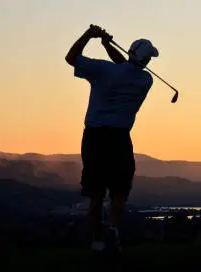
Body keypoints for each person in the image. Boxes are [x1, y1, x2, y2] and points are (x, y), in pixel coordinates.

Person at [65, 24, 158, 254]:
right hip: (120, 140)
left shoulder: (103, 71)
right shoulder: (146, 81)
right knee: (119, 192)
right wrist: (107, 45)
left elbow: (71, 58)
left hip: (95, 138)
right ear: (146, 61)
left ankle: (97, 241)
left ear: (130, 52)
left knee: (95, 194)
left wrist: (89, 35)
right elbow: (126, 68)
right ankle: (113, 230)